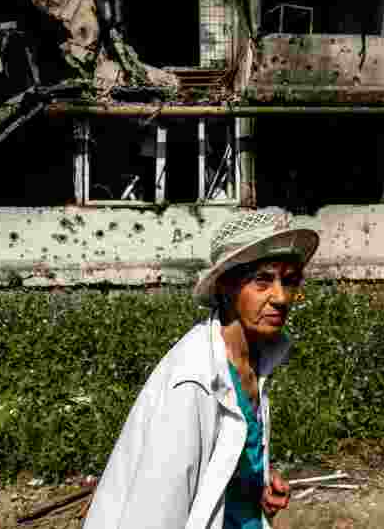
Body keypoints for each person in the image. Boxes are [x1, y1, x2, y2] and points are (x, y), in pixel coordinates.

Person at [83, 208, 321, 529]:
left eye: (289, 281)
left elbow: (226, 450)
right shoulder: (193, 381)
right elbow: (156, 510)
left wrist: (256, 483)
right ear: (226, 286)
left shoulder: (257, 359)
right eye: (262, 280)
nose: (281, 297)